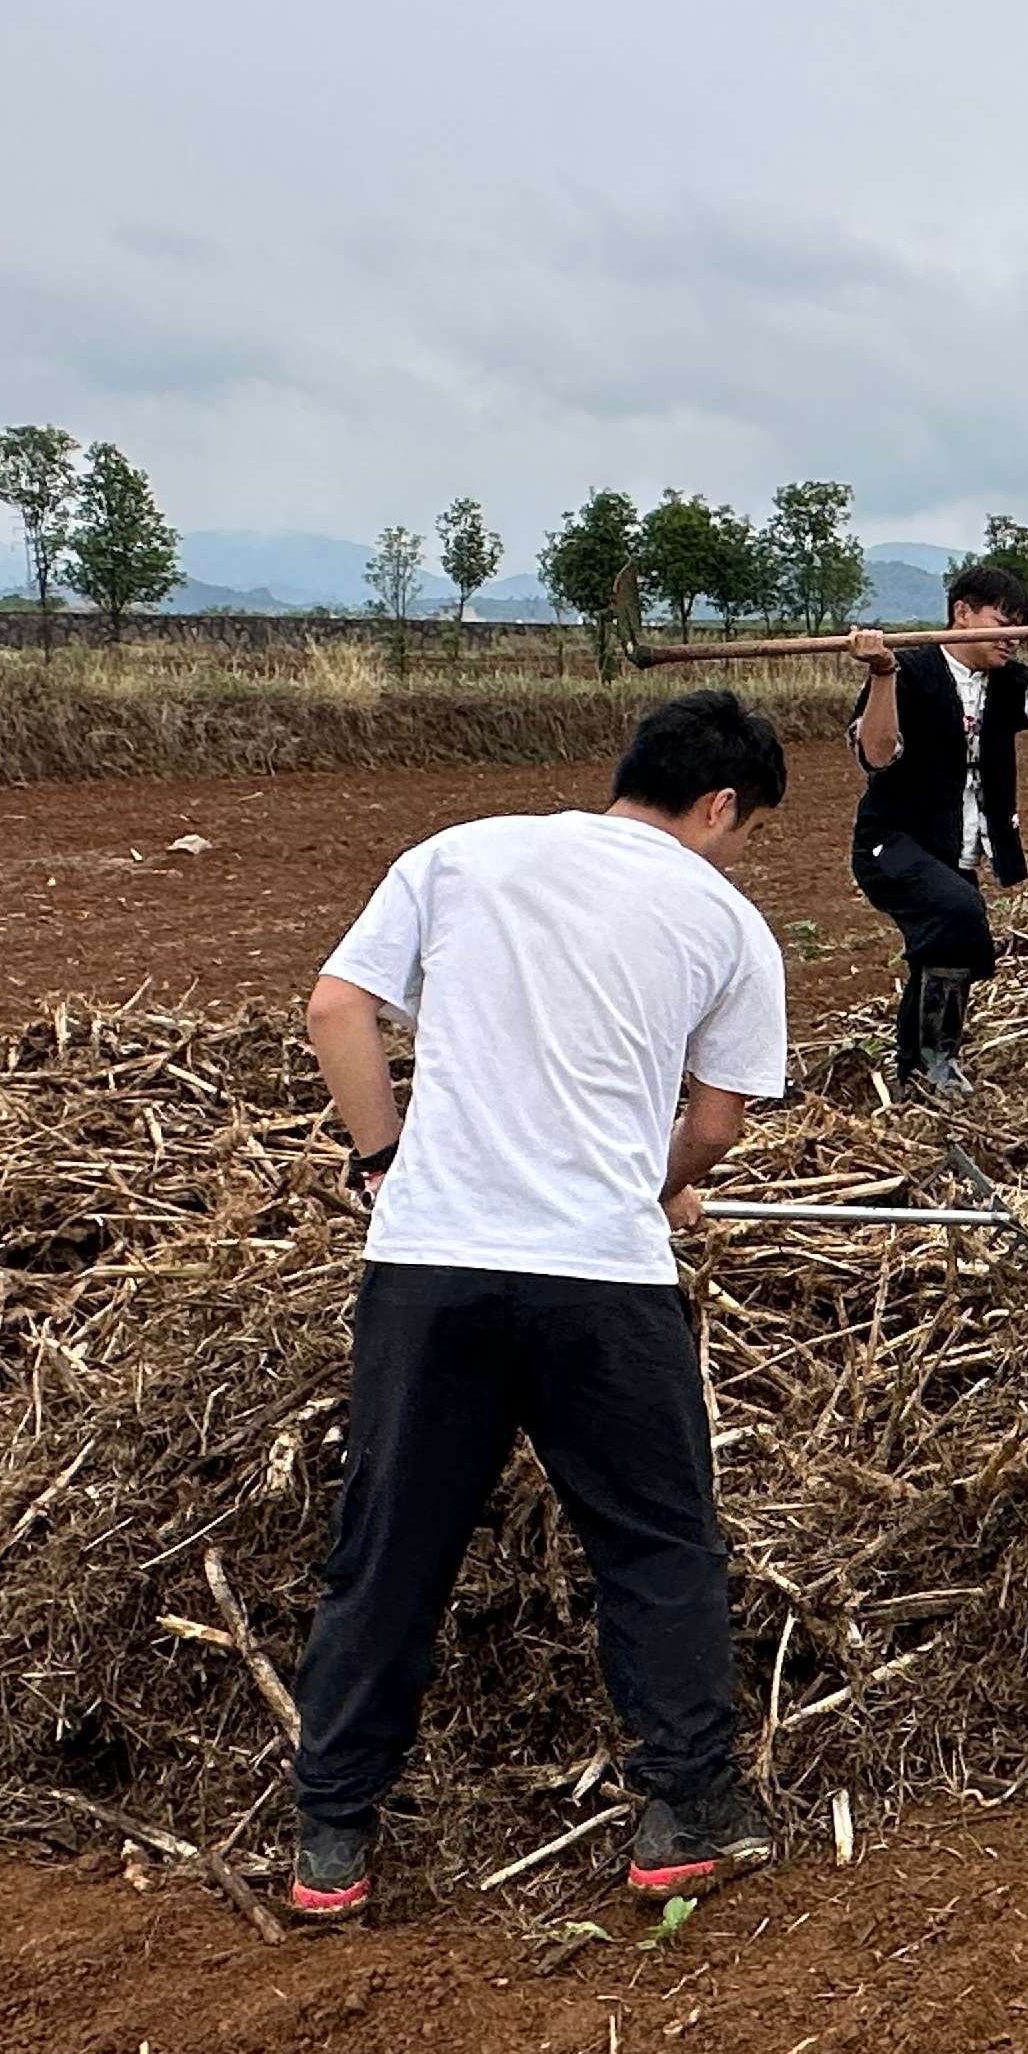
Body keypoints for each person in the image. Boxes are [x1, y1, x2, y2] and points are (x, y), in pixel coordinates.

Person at [285, 689, 796, 1923]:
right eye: (746, 827)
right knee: (657, 1544)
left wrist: (382, 1160)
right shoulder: (726, 924)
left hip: (430, 1269)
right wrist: (656, 1182)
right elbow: (715, 1124)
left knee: (392, 1548)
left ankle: (332, 1840)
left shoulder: (459, 854)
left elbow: (335, 1008)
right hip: (605, 1282)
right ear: (720, 804)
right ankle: (682, 1816)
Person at [847, 565, 1028, 1102]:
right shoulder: (910, 670)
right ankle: (935, 1061)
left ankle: (915, 1074)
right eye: (1002, 622)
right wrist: (882, 672)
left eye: (1020, 627)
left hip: (959, 852)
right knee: (959, 916)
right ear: (962, 614)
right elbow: (876, 755)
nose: (1010, 637)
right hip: (893, 844)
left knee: (940, 947)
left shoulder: (1004, 681)